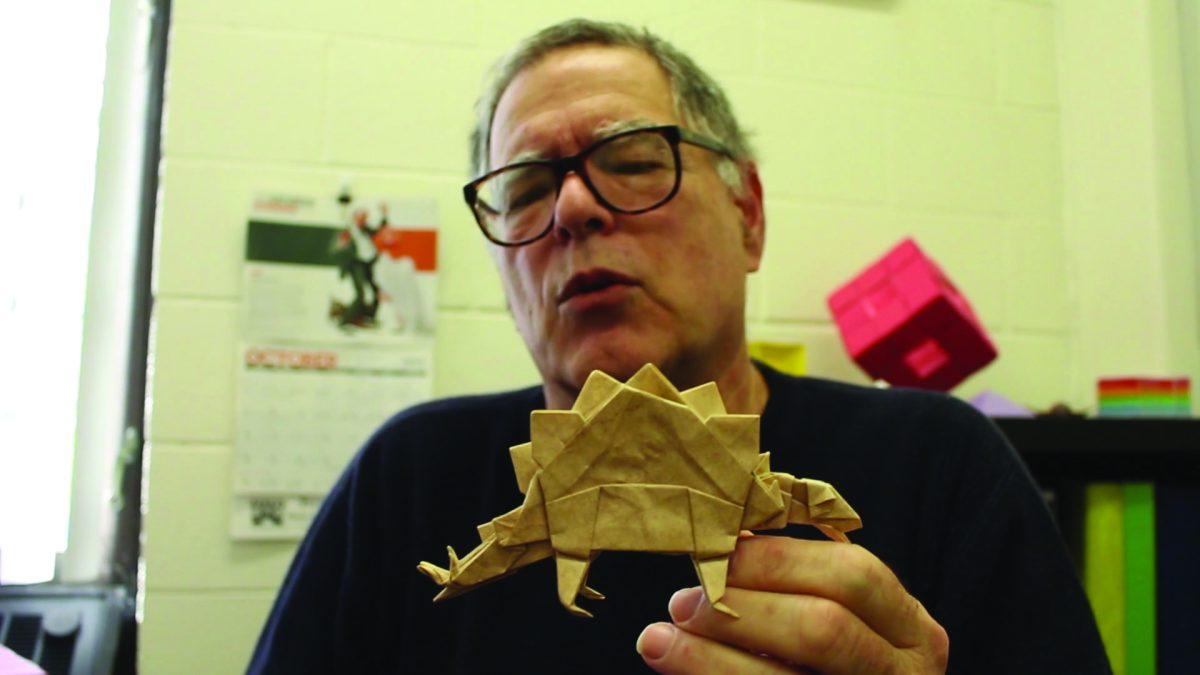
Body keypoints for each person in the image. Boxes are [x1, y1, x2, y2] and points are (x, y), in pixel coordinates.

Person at [249, 19, 1109, 674]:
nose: (576, 208)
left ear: (749, 216)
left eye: (629, 158)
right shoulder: (405, 480)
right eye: (526, 187)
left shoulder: (942, 465)